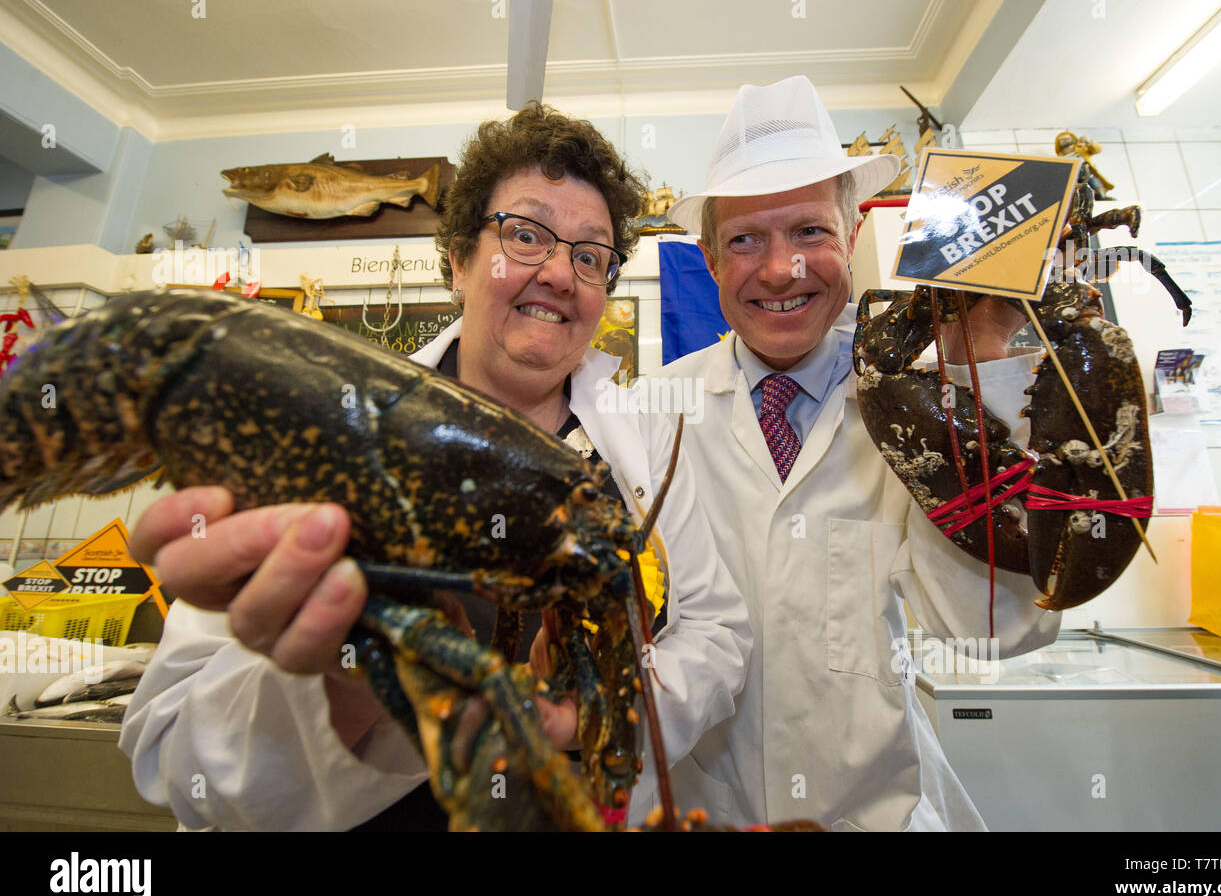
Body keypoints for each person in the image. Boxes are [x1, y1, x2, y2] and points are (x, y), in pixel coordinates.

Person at [119, 104, 751, 831]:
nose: (558, 272)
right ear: (458, 257)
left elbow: (717, 635)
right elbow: (172, 756)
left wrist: (588, 714)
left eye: (589, 254)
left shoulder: (648, 435)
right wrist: (353, 681)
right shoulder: (326, 428)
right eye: (525, 233)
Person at [653, 75, 1061, 831]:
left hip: (873, 817)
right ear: (709, 262)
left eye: (809, 231)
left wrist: (981, 359)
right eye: (745, 239)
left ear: (850, 240)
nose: (780, 269)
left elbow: (1001, 631)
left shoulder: (922, 407)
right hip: (700, 815)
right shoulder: (656, 416)